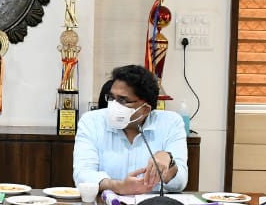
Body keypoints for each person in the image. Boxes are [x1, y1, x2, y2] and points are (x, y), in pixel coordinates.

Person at [73, 65, 188, 194]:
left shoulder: (171, 123)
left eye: (122, 100)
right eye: (111, 98)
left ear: (145, 109)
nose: (114, 105)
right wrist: (117, 186)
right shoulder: (91, 122)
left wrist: (168, 161)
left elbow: (180, 182)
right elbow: (82, 175)